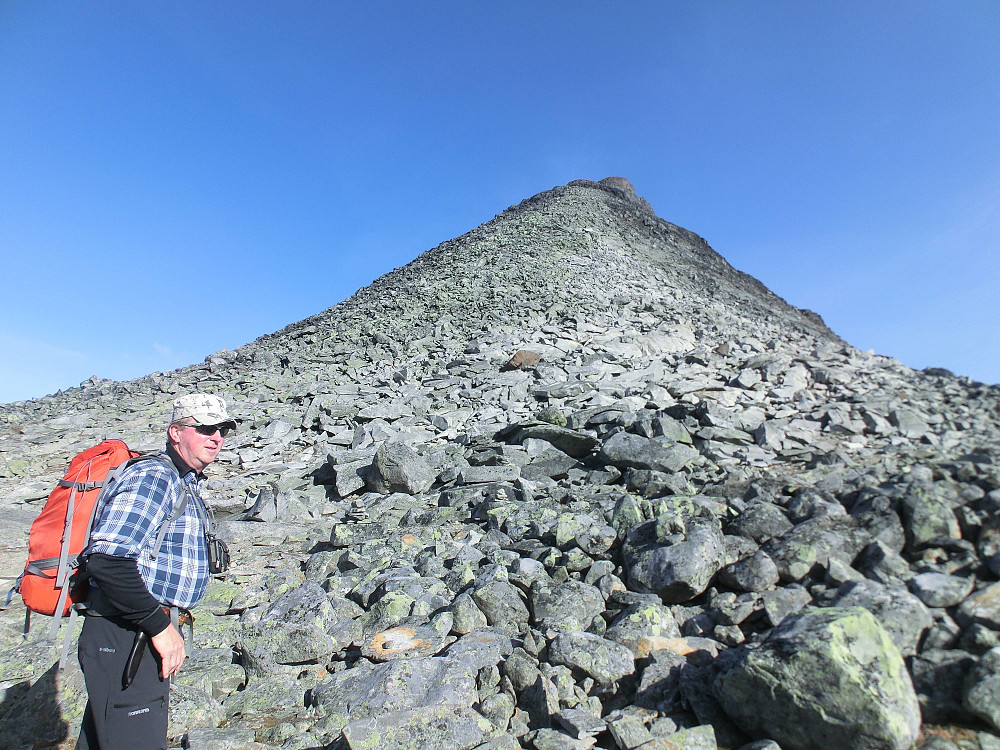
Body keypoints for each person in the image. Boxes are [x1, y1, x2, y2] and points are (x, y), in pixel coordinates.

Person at [76, 393, 236, 750]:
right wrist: (160, 627)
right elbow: (108, 560)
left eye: (223, 429)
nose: (217, 437)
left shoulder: (185, 481)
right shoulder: (155, 477)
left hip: (135, 632)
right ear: (176, 432)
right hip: (125, 633)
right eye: (206, 428)